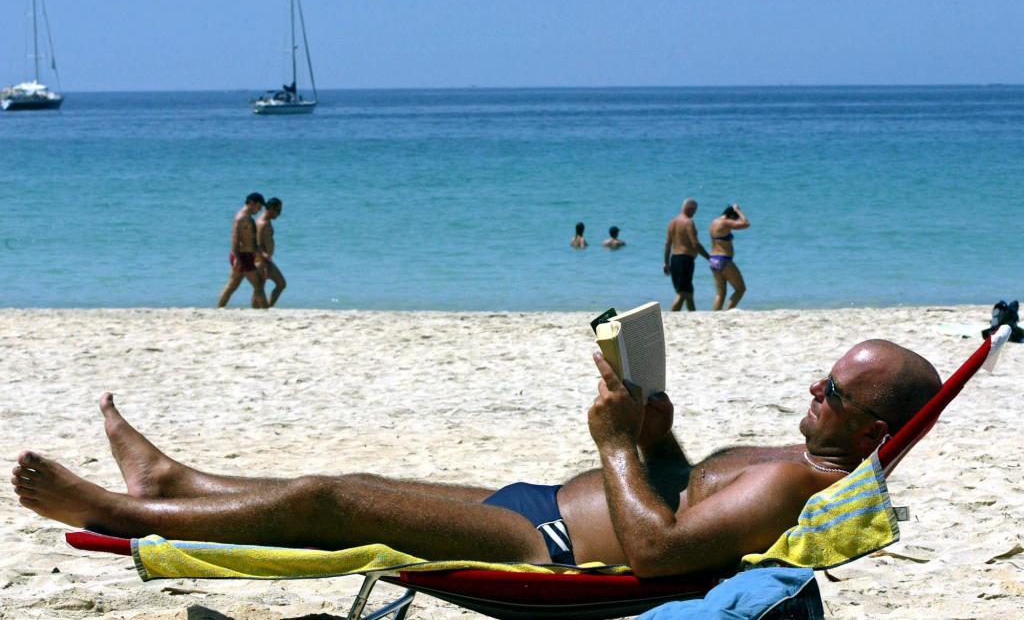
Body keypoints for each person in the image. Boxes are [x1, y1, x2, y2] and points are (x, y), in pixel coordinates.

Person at [11, 340, 940, 578]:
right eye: (823, 376)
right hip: (543, 503)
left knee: (330, 497)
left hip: (549, 544)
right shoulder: (809, 456)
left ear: (870, 434)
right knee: (344, 488)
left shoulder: (797, 478)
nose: (811, 390)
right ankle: (174, 484)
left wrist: (615, 445)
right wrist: (659, 439)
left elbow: (657, 553)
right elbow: (688, 494)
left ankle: (123, 514)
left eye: (833, 393)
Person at [217, 193, 268, 309]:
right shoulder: (242, 218)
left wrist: (259, 255)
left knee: (232, 285)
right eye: (259, 206)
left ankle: (219, 309)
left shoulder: (247, 218)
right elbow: (235, 239)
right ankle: (265, 312)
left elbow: (251, 241)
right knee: (258, 285)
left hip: (245, 256)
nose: (260, 210)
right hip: (242, 256)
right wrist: (237, 259)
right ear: (251, 203)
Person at [663, 198, 710, 312]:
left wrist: (666, 262)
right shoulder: (688, 222)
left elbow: (668, 244)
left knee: (689, 293)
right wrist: (709, 258)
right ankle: (671, 317)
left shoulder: (672, 222)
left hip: (674, 259)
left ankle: (693, 315)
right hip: (685, 260)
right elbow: (695, 244)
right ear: (689, 208)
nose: (695, 213)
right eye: (694, 210)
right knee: (683, 293)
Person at [708, 204, 750, 311]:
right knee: (740, 289)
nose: (735, 220)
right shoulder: (725, 222)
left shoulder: (713, 222)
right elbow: (746, 223)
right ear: (731, 215)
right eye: (735, 218)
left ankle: (715, 316)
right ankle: (728, 311)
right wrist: (738, 211)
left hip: (713, 259)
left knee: (720, 294)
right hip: (723, 260)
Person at [254, 197, 286, 308]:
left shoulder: (267, 221)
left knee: (281, 284)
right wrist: (263, 254)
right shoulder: (261, 223)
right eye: (278, 210)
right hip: (260, 260)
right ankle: (257, 310)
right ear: (271, 209)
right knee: (259, 287)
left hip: (266, 260)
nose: (279, 214)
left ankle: (267, 307)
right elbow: (256, 243)